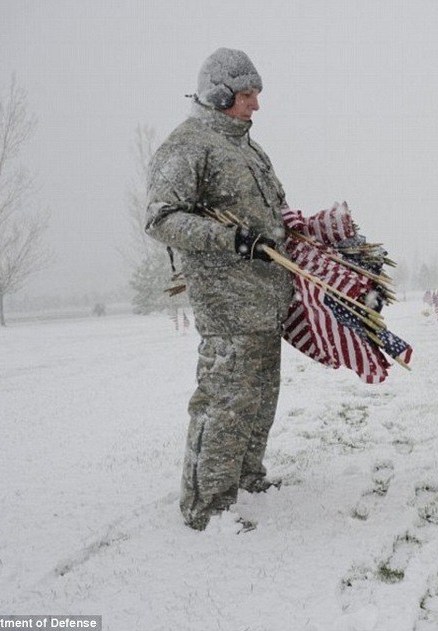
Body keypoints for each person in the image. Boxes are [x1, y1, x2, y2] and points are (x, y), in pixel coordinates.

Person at [145, 48, 293, 531]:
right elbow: (162, 218)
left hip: (264, 300)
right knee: (225, 402)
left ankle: (247, 478)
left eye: (256, 95)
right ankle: (207, 504)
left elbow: (273, 212)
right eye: (247, 95)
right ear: (220, 93)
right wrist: (231, 239)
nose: (255, 105)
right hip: (227, 302)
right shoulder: (190, 144)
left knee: (258, 398)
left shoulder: (247, 147)